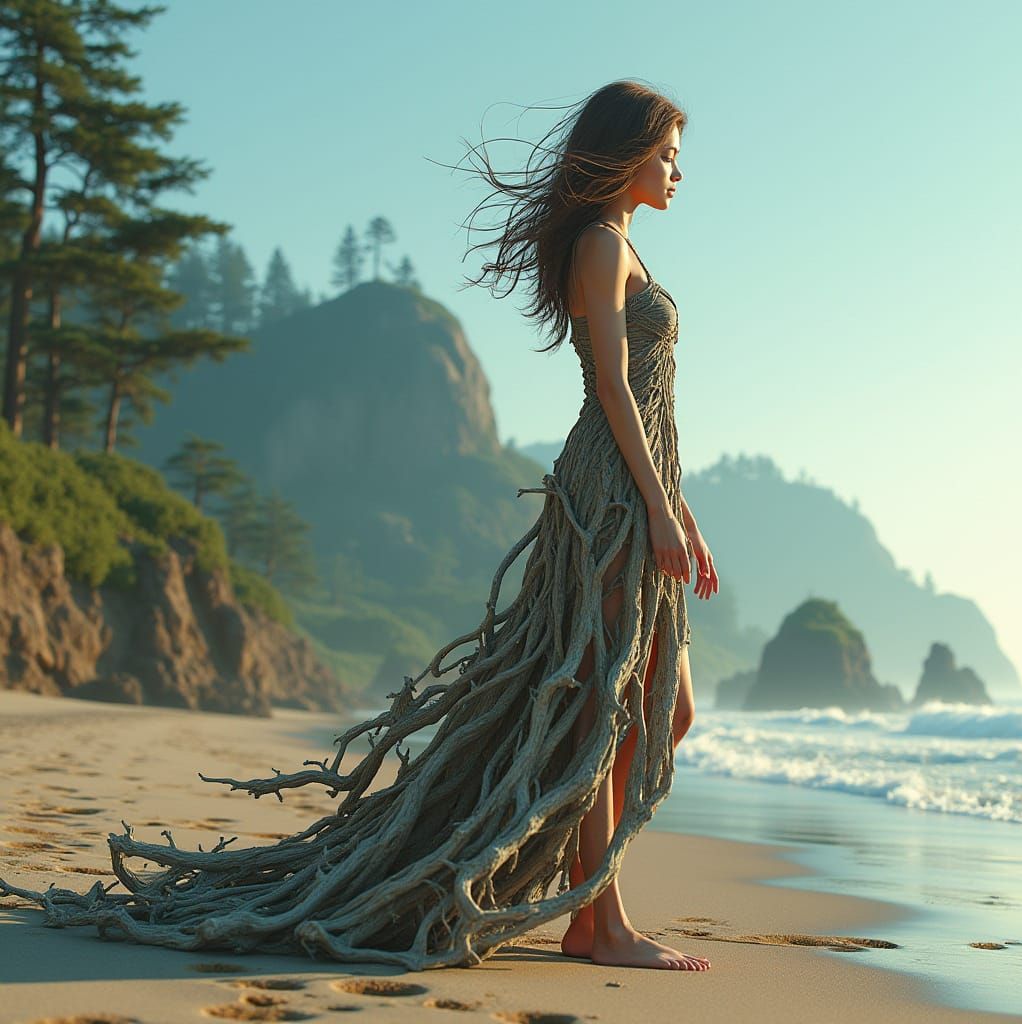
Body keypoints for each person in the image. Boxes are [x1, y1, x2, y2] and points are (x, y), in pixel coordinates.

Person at [0, 79, 720, 973]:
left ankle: (582, 882)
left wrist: (681, 508)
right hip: (607, 495)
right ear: (624, 151)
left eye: (679, 155)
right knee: (602, 701)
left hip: (643, 482)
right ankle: (599, 920)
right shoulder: (602, 246)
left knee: (667, 702)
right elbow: (610, 388)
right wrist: (653, 506)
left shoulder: (626, 250)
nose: (678, 169)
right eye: (666, 152)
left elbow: (649, 402)